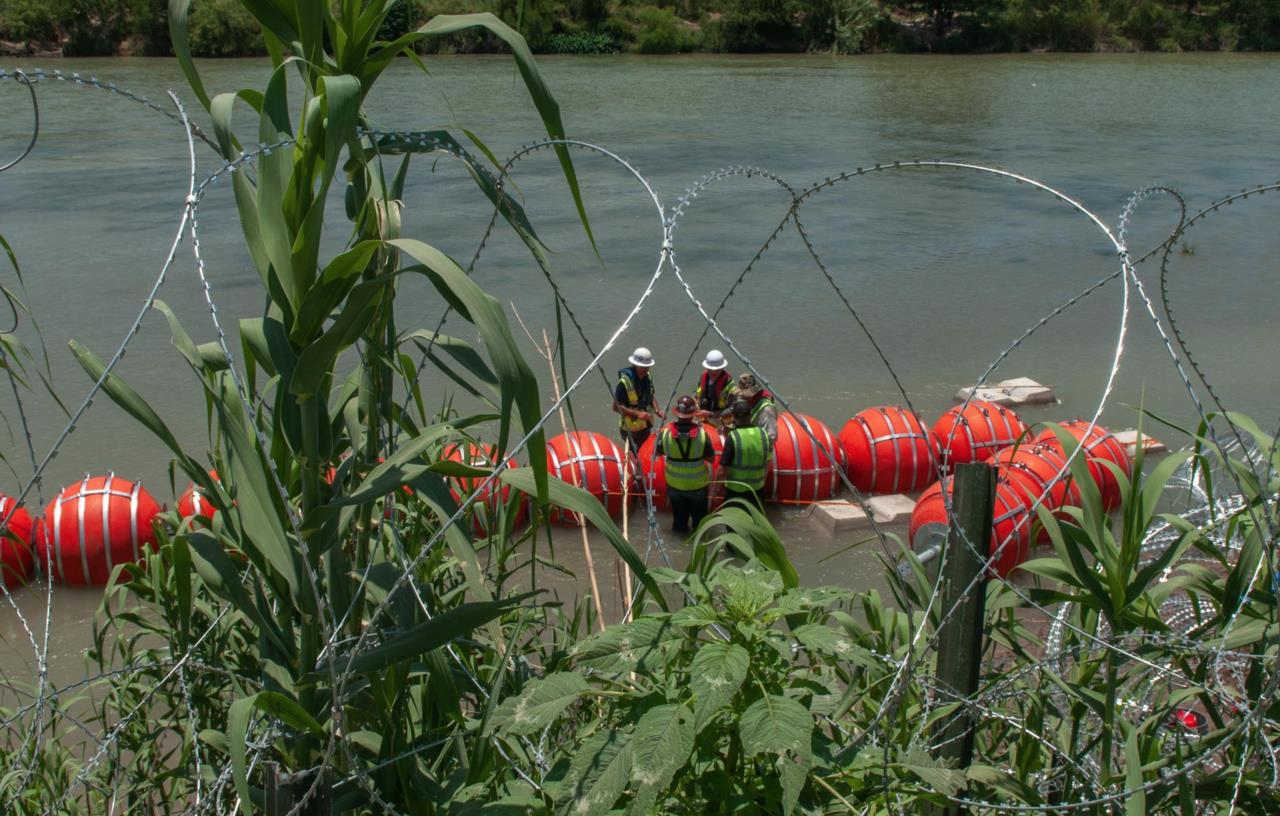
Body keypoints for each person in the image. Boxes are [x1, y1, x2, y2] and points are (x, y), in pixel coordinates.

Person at [657, 395, 716, 534]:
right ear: (693, 414)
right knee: (700, 524)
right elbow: (712, 459)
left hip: (675, 486)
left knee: (679, 522)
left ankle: (680, 545)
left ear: (677, 413)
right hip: (698, 486)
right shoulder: (702, 434)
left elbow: (659, 453)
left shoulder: (665, 434)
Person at [721, 398, 772, 511]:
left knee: (734, 523)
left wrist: (715, 490)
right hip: (757, 490)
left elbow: (723, 468)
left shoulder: (733, 437)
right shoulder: (764, 435)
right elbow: (768, 462)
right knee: (754, 523)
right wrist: (761, 479)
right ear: (750, 415)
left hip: (735, 491)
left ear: (734, 417)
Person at [612, 347, 663, 453]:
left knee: (645, 452)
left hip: (645, 426)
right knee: (633, 455)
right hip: (630, 430)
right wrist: (637, 414)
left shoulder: (647, 376)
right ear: (635, 365)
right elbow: (615, 407)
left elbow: (651, 395)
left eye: (647, 367)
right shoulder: (624, 382)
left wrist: (657, 410)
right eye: (643, 367)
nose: (646, 370)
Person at [733, 372, 778, 446]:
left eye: (744, 395)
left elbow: (771, 438)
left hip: (759, 451)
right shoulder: (751, 403)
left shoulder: (766, 410)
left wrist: (747, 442)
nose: (742, 397)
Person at [694, 349, 735, 424]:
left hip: (720, 422)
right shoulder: (702, 377)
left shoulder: (730, 386)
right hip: (702, 419)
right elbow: (697, 395)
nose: (713, 372)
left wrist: (711, 414)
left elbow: (733, 409)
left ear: (722, 368)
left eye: (717, 370)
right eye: (710, 369)